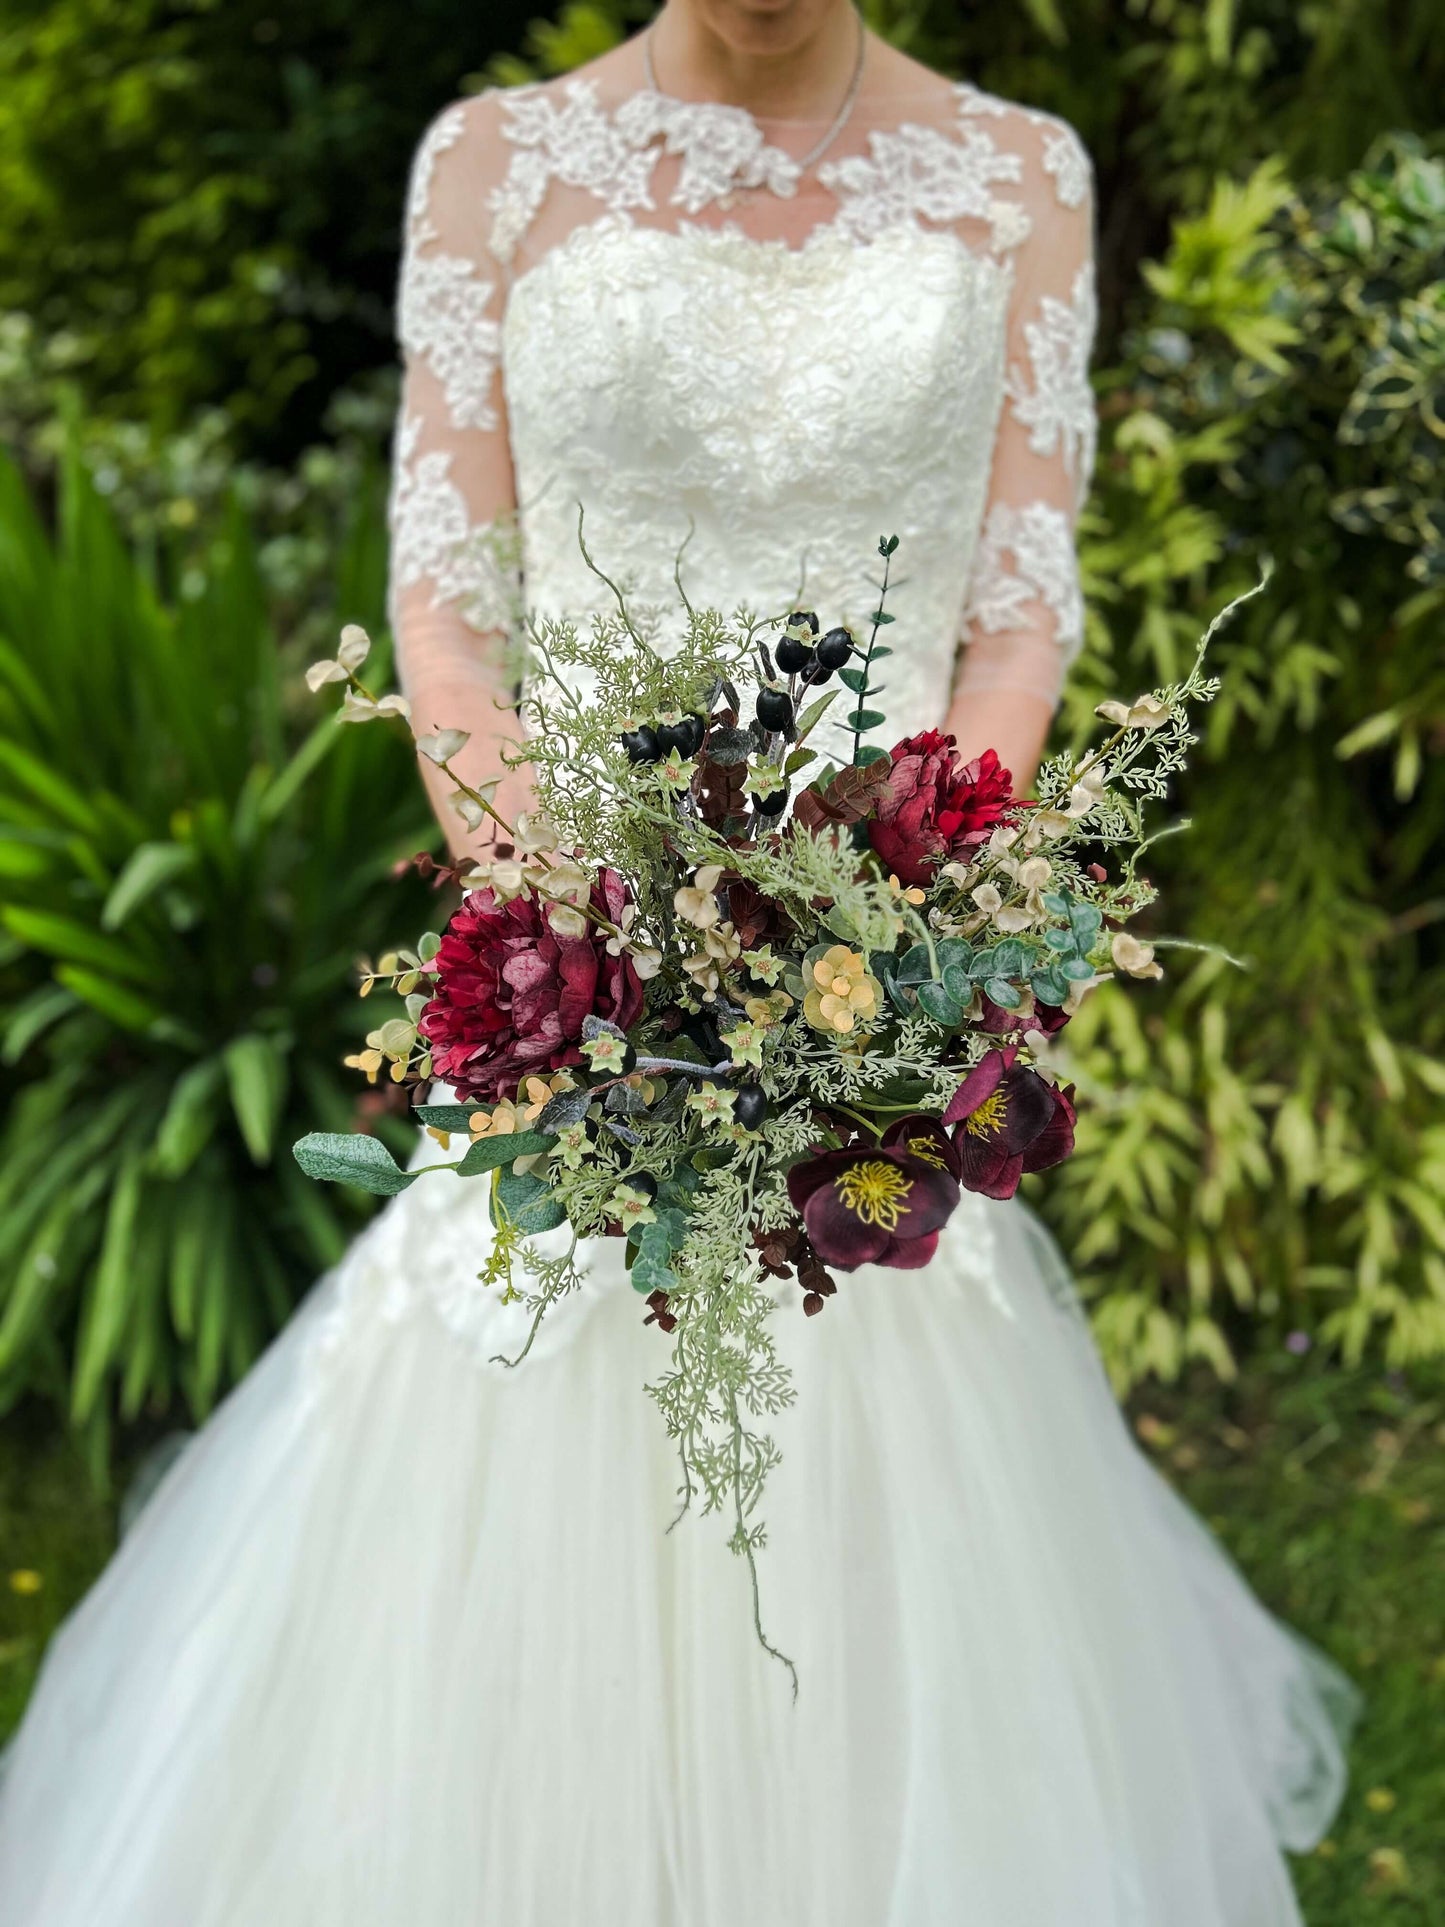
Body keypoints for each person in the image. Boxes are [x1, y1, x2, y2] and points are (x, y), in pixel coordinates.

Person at [0, 4, 1357, 1922]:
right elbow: (445, 613)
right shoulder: (493, 163)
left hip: (867, 992)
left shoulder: (1017, 175)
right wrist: (569, 919)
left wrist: (902, 922)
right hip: (586, 983)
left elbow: (1012, 619)